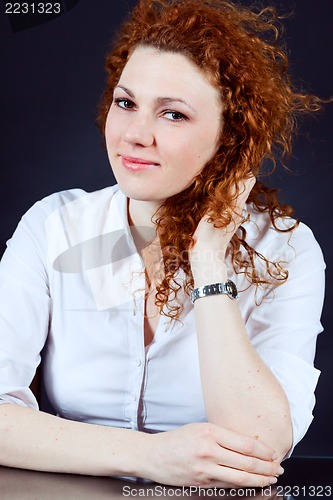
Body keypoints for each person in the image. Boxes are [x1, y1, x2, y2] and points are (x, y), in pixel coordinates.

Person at [0, 0, 326, 489]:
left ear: (229, 138)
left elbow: (260, 444)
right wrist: (153, 456)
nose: (135, 135)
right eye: (126, 103)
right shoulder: (54, 227)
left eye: (172, 114)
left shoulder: (287, 251)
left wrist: (210, 263)